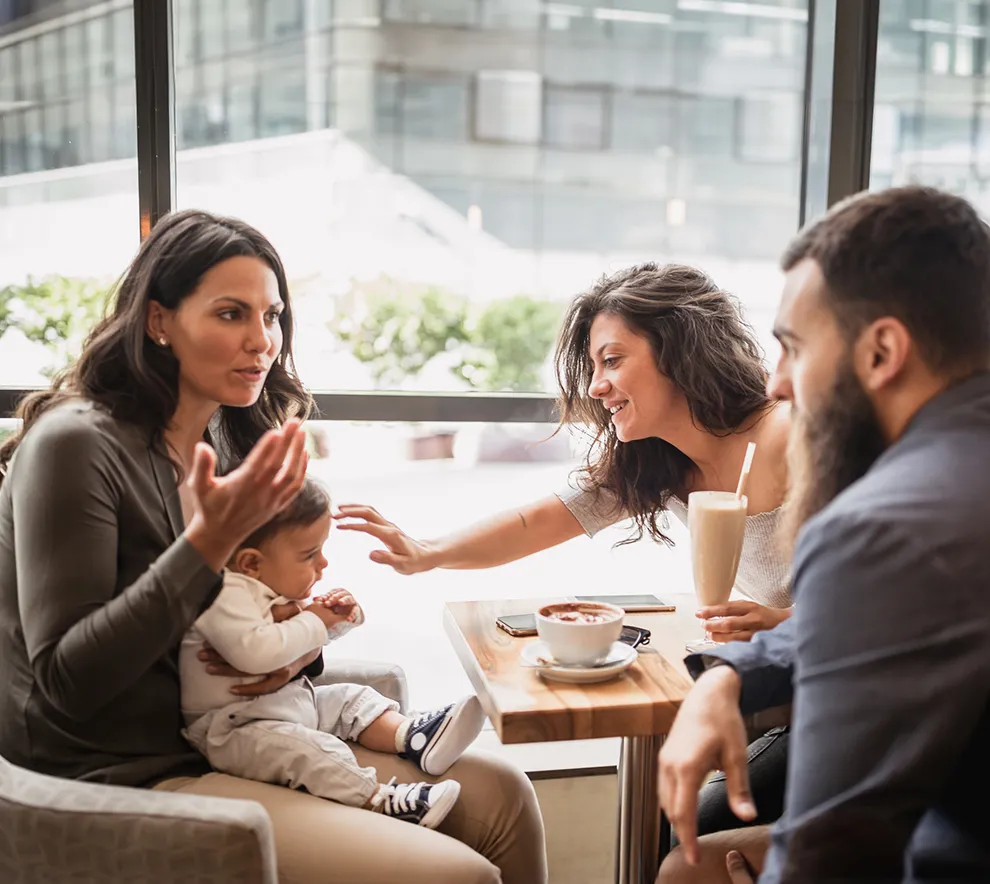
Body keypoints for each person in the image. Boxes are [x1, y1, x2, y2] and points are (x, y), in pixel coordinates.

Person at [0, 209, 547, 884]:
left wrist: (298, 644)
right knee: (458, 875)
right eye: (231, 314)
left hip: (230, 735)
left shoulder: (225, 443)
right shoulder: (77, 446)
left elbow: (245, 613)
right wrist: (208, 545)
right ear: (158, 321)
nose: (262, 340)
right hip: (122, 772)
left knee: (504, 796)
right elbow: (66, 685)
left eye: (273, 315)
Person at [337, 262, 795, 834]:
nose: (596, 386)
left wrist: (789, 619)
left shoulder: (790, 437)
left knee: (686, 841)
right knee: (674, 835)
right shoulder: (659, 463)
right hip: (785, 692)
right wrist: (426, 551)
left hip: (855, 700)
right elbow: (537, 521)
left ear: (679, 351)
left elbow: (894, 587)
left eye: (613, 360)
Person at [657, 185, 990, 883]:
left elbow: (834, 853)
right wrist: (731, 672)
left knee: (685, 867)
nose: (777, 385)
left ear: (882, 351)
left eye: (794, 349)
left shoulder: (880, 526)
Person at [179, 476, 487, 829]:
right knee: (308, 751)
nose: (323, 564)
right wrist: (313, 619)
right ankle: (380, 798)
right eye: (310, 555)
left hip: (280, 704)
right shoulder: (223, 594)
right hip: (235, 730)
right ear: (251, 563)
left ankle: (414, 736)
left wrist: (340, 618)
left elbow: (301, 643)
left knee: (349, 699)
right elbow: (257, 654)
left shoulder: (266, 585)